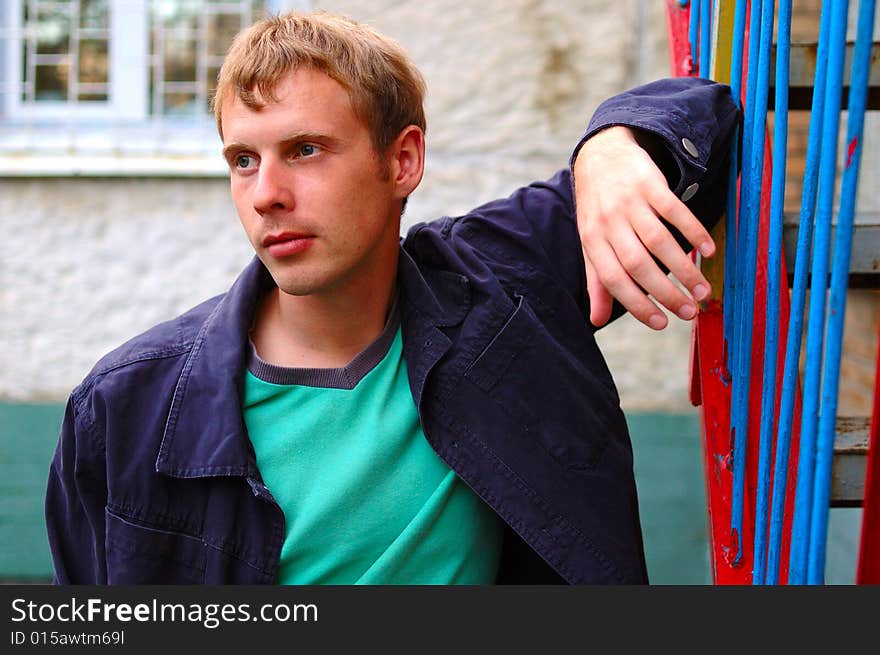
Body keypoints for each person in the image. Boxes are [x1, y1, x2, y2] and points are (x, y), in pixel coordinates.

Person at [45, 10, 738, 584]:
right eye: (243, 160)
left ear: (402, 160)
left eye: (306, 149)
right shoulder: (125, 407)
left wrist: (610, 147)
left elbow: (709, 123)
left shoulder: (503, 286)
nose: (266, 195)